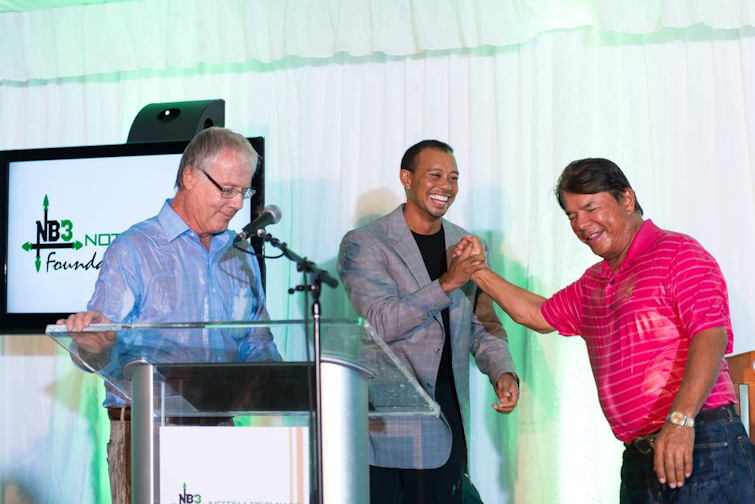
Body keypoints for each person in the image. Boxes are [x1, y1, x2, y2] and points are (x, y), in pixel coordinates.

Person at [455, 158, 755, 503]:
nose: (581, 223)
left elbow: (710, 335)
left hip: (699, 440)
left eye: (590, 207)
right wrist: (475, 271)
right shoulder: (594, 282)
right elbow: (537, 313)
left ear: (626, 199)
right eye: (571, 215)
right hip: (640, 456)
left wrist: (681, 421)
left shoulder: (678, 252)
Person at [58, 127, 281, 504]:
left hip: (220, 431)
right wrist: (95, 343)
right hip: (148, 431)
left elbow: (257, 343)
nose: (237, 204)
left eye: (244, 191)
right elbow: (95, 348)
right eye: (226, 189)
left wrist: (288, 381)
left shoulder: (241, 255)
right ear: (189, 176)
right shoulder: (134, 250)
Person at [337, 140, 519, 504]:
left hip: (448, 418)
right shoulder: (366, 243)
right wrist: (449, 281)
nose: (446, 186)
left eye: (453, 177)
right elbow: (381, 322)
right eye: (435, 175)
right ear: (407, 178)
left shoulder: (467, 244)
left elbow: (483, 325)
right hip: (389, 428)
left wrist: (502, 371)